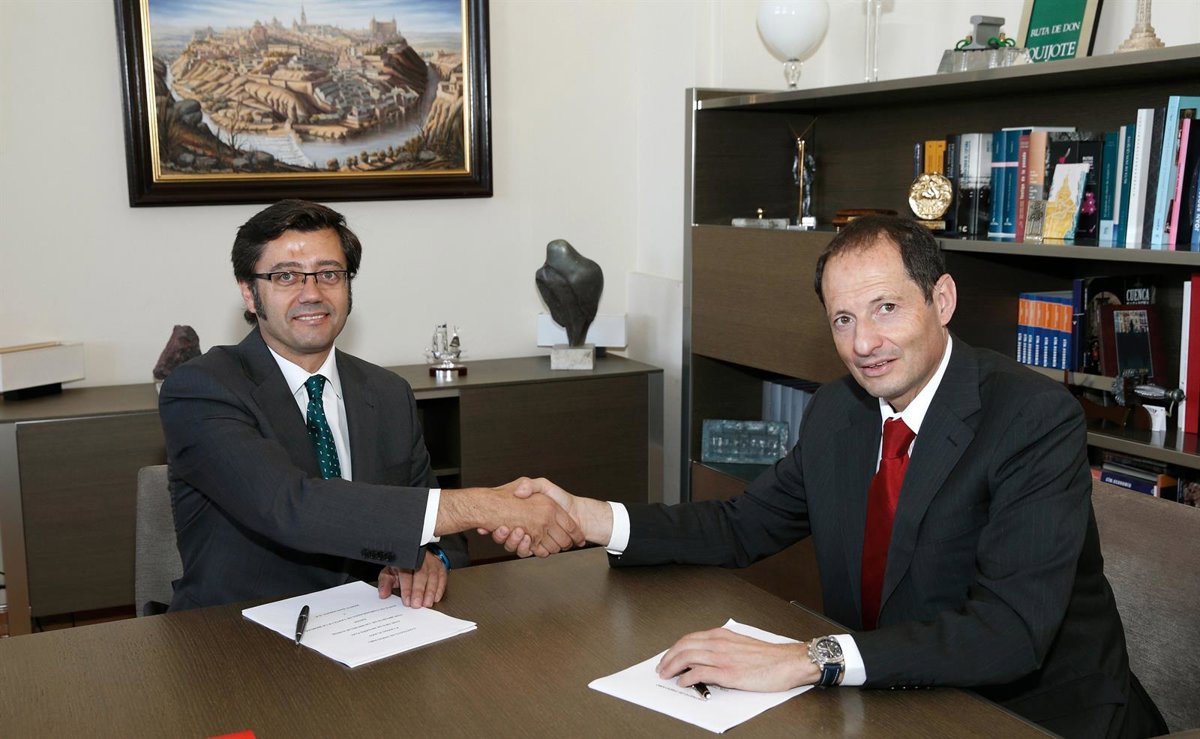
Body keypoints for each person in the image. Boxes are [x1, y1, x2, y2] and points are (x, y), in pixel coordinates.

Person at [490, 215, 1166, 738]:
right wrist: (588, 517)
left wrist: (809, 658)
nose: (863, 343)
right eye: (843, 319)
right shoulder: (840, 412)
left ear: (942, 299)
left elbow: (1010, 631)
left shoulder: (1032, 417)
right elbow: (740, 525)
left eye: (885, 308)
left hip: (1031, 716)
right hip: (897, 701)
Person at [159, 199, 582, 613]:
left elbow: (439, 529)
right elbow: (290, 507)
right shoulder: (201, 389)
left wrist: (429, 558)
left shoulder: (387, 392)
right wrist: (486, 505)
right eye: (286, 276)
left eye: (329, 274)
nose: (312, 293)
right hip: (236, 632)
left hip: (372, 625)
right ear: (250, 294)